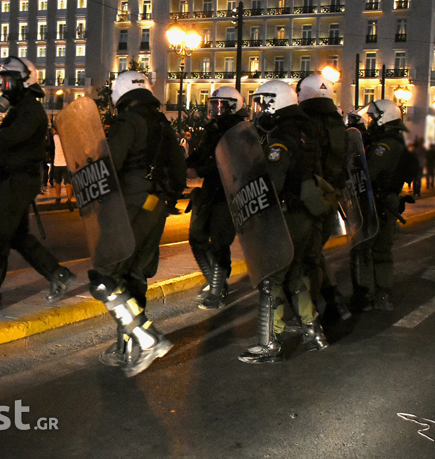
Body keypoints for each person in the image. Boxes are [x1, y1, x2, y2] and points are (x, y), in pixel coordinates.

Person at [0, 57, 76, 311]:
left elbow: (8, 138)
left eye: (8, 81)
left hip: (18, 181)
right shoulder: (20, 110)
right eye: (3, 81)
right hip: (13, 178)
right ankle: (58, 274)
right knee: (18, 236)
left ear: (24, 81)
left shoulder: (30, 111)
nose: (4, 86)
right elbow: (14, 147)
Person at [88, 71, 179, 376]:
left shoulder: (128, 122)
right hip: (156, 205)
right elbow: (179, 167)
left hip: (129, 205)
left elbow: (108, 161)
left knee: (105, 276)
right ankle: (127, 348)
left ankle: (147, 337)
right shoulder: (163, 124)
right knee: (134, 275)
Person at [239, 80, 327, 364]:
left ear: (275, 102)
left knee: (271, 277)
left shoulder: (282, 137)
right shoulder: (305, 128)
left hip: (286, 214)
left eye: (263, 103)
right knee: (295, 273)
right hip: (304, 213)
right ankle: (314, 332)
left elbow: (274, 179)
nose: (260, 109)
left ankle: (270, 344)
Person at [295, 74, 351, 324]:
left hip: (311, 195)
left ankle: (311, 315)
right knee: (316, 252)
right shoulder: (339, 124)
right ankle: (335, 301)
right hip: (333, 195)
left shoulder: (305, 123)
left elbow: (303, 161)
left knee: (308, 257)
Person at [185, 86, 247, 310]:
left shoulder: (239, 131)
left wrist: (199, 170)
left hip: (229, 191)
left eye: (220, 105)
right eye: (214, 104)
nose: (215, 109)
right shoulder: (213, 129)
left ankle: (216, 290)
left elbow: (228, 162)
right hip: (211, 190)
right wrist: (185, 164)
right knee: (196, 236)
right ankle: (215, 281)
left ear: (233, 106)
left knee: (220, 241)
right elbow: (202, 152)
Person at [352, 99, 411, 312]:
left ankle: (370, 294)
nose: (370, 121)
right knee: (381, 249)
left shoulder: (385, 146)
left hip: (379, 200)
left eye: (373, 117)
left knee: (369, 248)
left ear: (383, 117)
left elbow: (371, 172)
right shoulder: (396, 140)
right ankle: (382, 294)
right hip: (387, 199)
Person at [50, 123, 74, 211]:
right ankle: (69, 200)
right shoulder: (68, 138)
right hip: (66, 164)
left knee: (57, 182)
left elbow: (53, 134)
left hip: (57, 163)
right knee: (68, 183)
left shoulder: (55, 138)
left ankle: (58, 198)